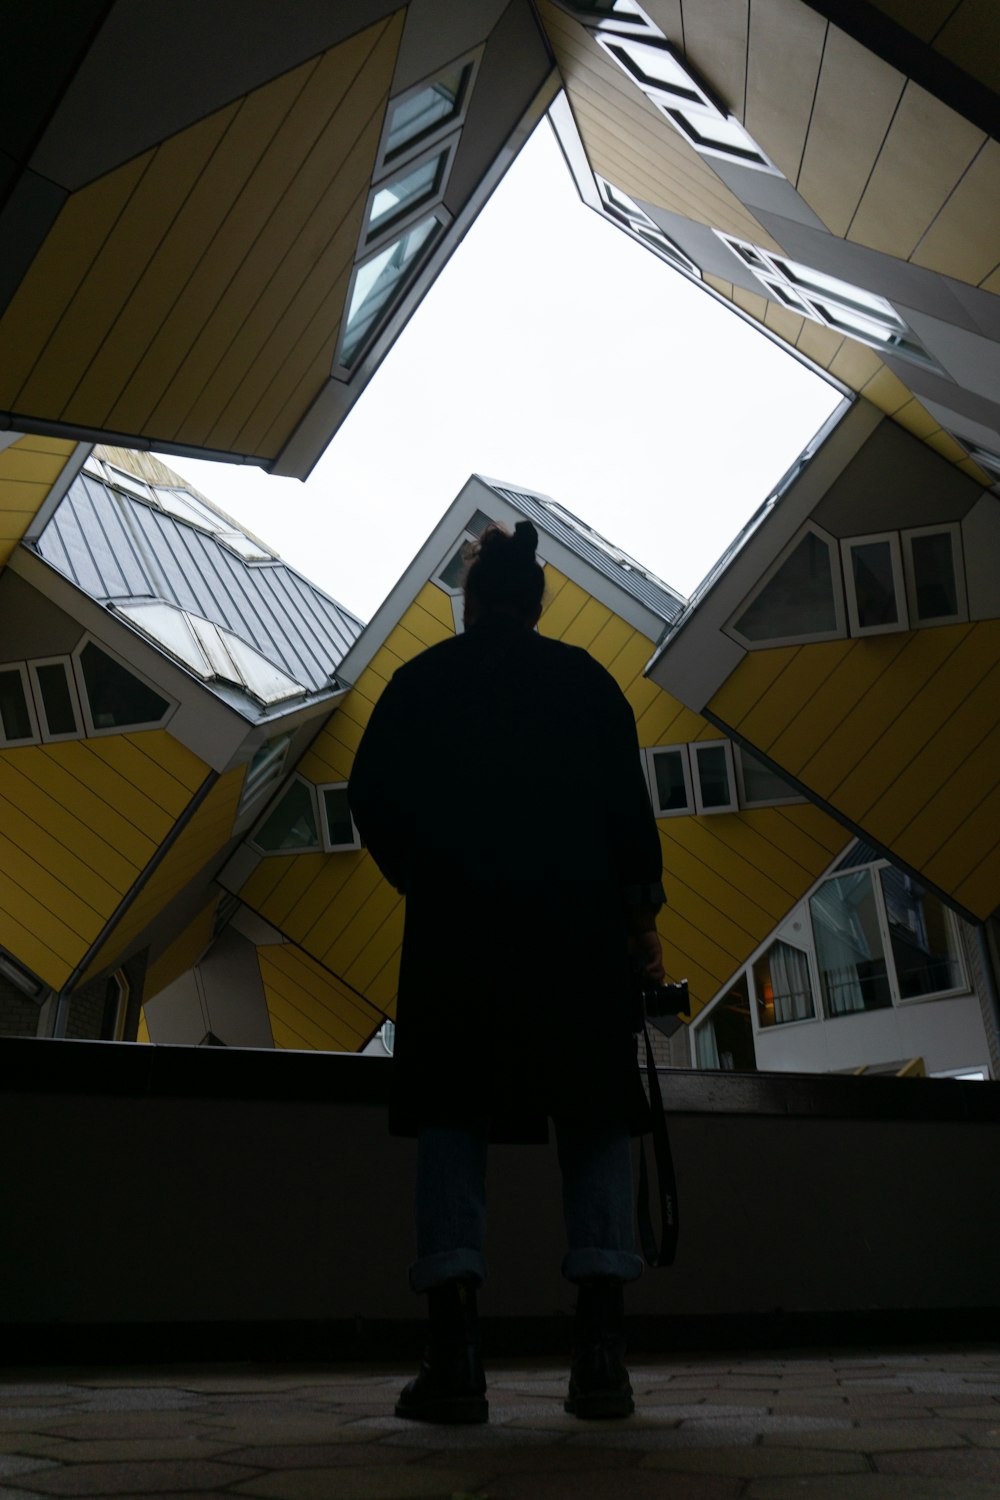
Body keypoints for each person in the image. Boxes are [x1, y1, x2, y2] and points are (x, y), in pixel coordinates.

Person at [348, 520, 665, 1424]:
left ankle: (456, 1358)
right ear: (536, 604)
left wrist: (428, 875)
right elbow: (629, 824)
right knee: (596, 1118)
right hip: (579, 941)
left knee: (453, 1118)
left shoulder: (421, 685)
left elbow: (372, 797)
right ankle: (600, 1355)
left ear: (472, 602)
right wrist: (638, 930)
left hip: (459, 938)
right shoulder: (590, 686)